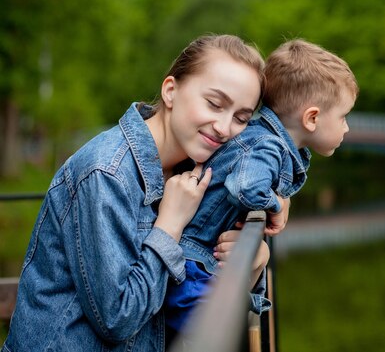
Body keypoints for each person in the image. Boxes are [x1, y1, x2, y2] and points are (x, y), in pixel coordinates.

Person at [1, 34, 281, 352]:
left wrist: (254, 261)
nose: (224, 127)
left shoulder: (198, 172)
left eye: (242, 118)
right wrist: (170, 225)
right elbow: (118, 320)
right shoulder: (106, 173)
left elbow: (194, 306)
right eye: (214, 104)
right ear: (171, 90)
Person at [163, 38, 359, 335]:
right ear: (312, 118)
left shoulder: (262, 138)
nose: (346, 128)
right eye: (343, 117)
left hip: (198, 261)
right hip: (193, 265)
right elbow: (244, 186)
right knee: (215, 333)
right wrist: (276, 205)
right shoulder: (267, 146)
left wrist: (279, 200)